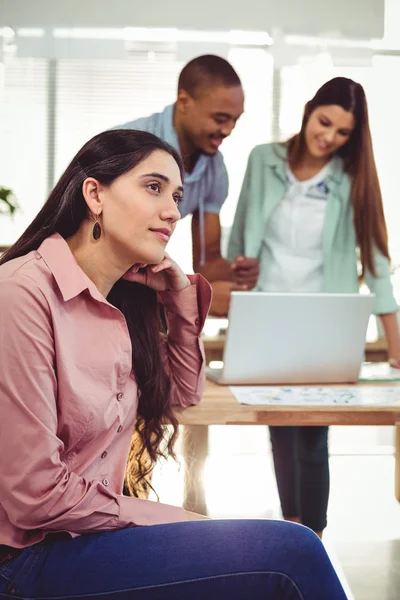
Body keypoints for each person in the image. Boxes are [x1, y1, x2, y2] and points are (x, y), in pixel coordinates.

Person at [0, 129, 348, 599]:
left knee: (285, 555)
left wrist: (182, 299)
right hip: (24, 560)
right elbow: (33, 495)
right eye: (153, 187)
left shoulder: (121, 301)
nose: (173, 211)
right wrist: (174, 520)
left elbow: (184, 393)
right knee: (294, 552)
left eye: (177, 195)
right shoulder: (22, 293)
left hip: (84, 541)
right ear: (94, 194)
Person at [228, 77, 400, 538]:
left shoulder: (351, 177)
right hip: (267, 313)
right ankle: (293, 527)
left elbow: (377, 260)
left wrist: (395, 341)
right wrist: (232, 278)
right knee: (279, 426)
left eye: (343, 132)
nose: (329, 137)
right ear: (308, 111)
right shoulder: (262, 160)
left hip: (326, 320)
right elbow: (241, 229)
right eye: (325, 122)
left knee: (313, 431)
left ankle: (314, 536)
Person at [114, 54, 259, 316]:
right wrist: (190, 297)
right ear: (184, 102)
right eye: (220, 118)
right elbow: (105, 257)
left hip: (142, 303)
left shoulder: (214, 170)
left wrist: (238, 274)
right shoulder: (126, 148)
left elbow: (207, 260)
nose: (228, 130)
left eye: (235, 120)